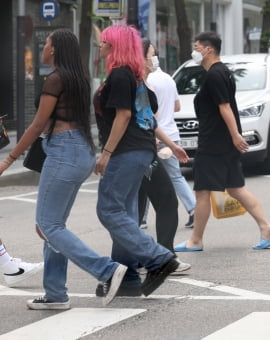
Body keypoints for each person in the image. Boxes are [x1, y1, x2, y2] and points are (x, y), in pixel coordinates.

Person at [0, 29, 128, 309]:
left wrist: (9, 160)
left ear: (54, 49)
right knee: (51, 226)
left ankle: (106, 270)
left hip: (64, 151)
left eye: (45, 44)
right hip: (80, 150)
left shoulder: (55, 79)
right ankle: (56, 293)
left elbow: (37, 125)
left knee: (49, 225)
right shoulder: (78, 79)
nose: (43, 48)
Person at [94, 24, 186, 297]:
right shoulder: (133, 76)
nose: (100, 47)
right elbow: (148, 119)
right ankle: (128, 277)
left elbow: (124, 117)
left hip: (127, 151)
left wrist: (106, 153)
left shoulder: (122, 75)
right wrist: (172, 145)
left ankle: (158, 258)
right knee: (126, 213)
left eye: (103, 42)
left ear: (115, 46)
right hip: (141, 149)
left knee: (108, 210)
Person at [174, 32, 270, 252]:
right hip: (223, 141)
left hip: (214, 143)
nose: (194, 51)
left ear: (208, 50)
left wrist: (235, 135)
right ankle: (266, 226)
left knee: (202, 190)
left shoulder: (215, 75)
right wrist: (233, 137)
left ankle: (196, 240)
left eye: (197, 47)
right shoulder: (223, 72)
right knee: (235, 188)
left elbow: (224, 107)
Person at [144, 39, 196, 228]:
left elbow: (150, 113)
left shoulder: (147, 81)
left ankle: (141, 217)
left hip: (156, 137)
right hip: (171, 134)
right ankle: (193, 209)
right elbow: (177, 106)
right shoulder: (168, 78)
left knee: (146, 175)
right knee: (174, 176)